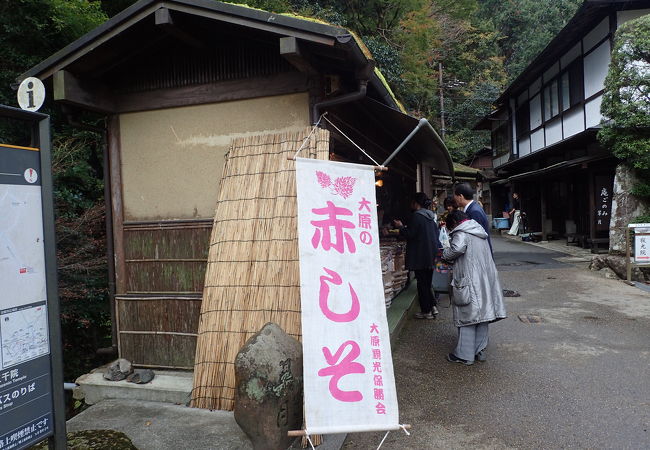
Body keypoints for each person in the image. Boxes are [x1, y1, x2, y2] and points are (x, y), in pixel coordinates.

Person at [443, 210, 507, 365]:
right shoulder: (479, 231)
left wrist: (445, 253)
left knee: (468, 316)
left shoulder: (461, 232)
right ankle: (479, 350)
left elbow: (456, 249)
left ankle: (464, 355)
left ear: (454, 223)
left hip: (470, 280)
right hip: (485, 278)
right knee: (483, 315)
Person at [393, 192, 440, 319]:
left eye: (412, 201)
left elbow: (410, 234)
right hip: (430, 254)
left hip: (420, 255)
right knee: (427, 282)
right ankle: (432, 306)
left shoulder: (417, 216)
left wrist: (401, 226)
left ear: (416, 203)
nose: (410, 204)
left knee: (422, 284)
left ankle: (426, 311)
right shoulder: (430, 216)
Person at [453, 183, 492, 253]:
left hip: (480, 254)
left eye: (455, 196)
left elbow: (478, 236)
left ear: (460, 196)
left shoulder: (474, 211)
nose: (454, 199)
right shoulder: (473, 208)